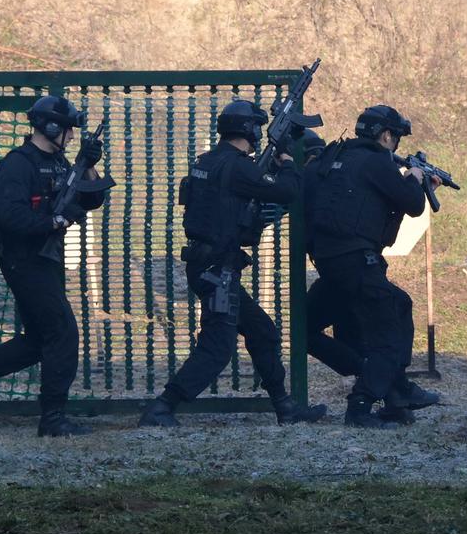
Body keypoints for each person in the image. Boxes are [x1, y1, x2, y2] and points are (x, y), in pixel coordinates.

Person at [138, 100, 327, 427]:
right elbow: (287, 191)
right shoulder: (238, 167)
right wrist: (285, 160)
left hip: (210, 266)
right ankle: (163, 407)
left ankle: (285, 408)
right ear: (249, 129)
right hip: (217, 270)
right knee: (218, 346)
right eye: (256, 127)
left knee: (262, 332)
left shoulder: (208, 161)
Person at [0, 95, 108, 437]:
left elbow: (92, 198)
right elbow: (12, 218)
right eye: (69, 130)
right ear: (51, 126)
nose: (72, 136)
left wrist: (87, 163)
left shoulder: (60, 162)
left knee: (39, 339)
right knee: (62, 332)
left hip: (47, 257)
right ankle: (53, 418)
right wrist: (56, 220)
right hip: (23, 258)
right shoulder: (18, 164)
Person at [305, 105, 440, 429]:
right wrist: (417, 179)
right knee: (393, 318)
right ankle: (362, 404)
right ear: (386, 136)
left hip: (330, 263)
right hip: (354, 262)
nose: (395, 147)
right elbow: (411, 203)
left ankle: (396, 393)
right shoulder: (376, 161)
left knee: (305, 327)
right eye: (395, 139)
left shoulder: (336, 158)